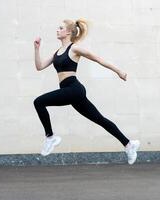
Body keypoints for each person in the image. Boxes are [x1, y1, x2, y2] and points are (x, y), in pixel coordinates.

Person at [33, 18, 140, 165]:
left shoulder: (74, 48)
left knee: (38, 102)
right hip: (69, 91)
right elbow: (39, 66)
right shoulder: (57, 52)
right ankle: (129, 144)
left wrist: (119, 71)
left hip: (74, 89)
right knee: (99, 119)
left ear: (69, 32)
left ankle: (50, 137)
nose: (57, 30)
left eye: (60, 28)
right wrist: (37, 49)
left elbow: (97, 58)